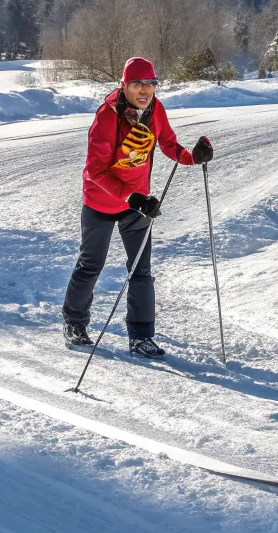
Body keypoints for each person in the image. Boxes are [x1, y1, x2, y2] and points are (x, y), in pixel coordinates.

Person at [62, 56, 214, 357]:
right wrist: (130, 197)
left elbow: (168, 142)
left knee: (141, 271)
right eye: (137, 84)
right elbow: (94, 169)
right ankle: (74, 323)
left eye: (151, 84)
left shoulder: (155, 109)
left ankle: (141, 337)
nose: (145, 91)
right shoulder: (107, 116)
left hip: (138, 203)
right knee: (91, 265)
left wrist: (191, 157)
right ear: (124, 85)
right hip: (102, 201)